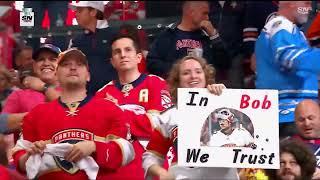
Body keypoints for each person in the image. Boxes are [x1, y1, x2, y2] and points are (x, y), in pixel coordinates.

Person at [12, 48, 135, 179]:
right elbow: (19, 161)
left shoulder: (110, 108)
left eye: (80, 64)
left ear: (88, 76)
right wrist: (30, 155)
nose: (73, 68)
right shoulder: (36, 114)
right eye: (65, 65)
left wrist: (94, 146)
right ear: (56, 75)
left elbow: (126, 153)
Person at [143, 55, 238, 180]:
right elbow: (151, 155)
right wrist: (162, 173)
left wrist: (225, 97)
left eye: (198, 71)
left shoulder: (226, 105)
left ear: (206, 77)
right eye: (186, 73)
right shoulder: (169, 116)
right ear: (178, 80)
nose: (193, 76)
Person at [96, 34, 172, 179]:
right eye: (117, 52)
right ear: (112, 61)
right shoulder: (102, 93)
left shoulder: (156, 84)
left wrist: (117, 113)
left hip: (148, 171)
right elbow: (101, 136)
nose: (123, 54)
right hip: (115, 172)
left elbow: (161, 125)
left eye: (128, 50)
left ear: (139, 57)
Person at [254, 1, 320, 137]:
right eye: (306, 3)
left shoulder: (291, 31)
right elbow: (289, 58)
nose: (309, 8)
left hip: (293, 113)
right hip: (290, 114)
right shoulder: (281, 25)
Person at [146, 1, 229, 79]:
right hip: (174, 89)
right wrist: (180, 70)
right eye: (204, 13)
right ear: (191, 12)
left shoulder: (207, 37)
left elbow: (224, 64)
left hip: (203, 90)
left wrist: (214, 36)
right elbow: (152, 63)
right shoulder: (168, 35)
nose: (207, 17)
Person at [69, 1, 118, 95]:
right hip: (83, 97)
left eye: (80, 11)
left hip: (112, 96)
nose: (76, 14)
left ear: (93, 12)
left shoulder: (114, 36)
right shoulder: (76, 40)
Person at [292, 99, 320, 179]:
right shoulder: (287, 146)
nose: (306, 124)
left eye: (311, 118)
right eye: (301, 120)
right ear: (295, 122)